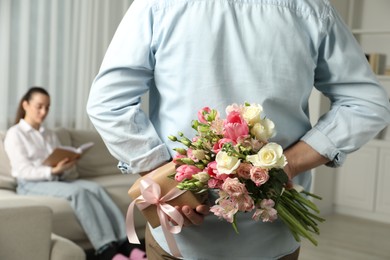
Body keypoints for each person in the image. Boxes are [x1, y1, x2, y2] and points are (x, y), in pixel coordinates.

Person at [86, 0, 390, 259]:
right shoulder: (310, 8)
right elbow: (367, 104)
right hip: (269, 235)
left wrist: (164, 179)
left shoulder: (156, 5)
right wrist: (289, 164)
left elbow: (107, 103)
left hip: (183, 233)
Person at [4, 87, 132, 260]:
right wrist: (53, 170)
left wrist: (67, 164)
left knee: (96, 188)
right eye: (39, 106)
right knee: (78, 193)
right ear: (25, 104)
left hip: (57, 178)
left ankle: (126, 243)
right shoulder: (15, 134)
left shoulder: (49, 134)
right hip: (30, 184)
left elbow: (57, 160)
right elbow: (22, 170)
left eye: (47, 107)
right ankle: (106, 249)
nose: (44, 112)